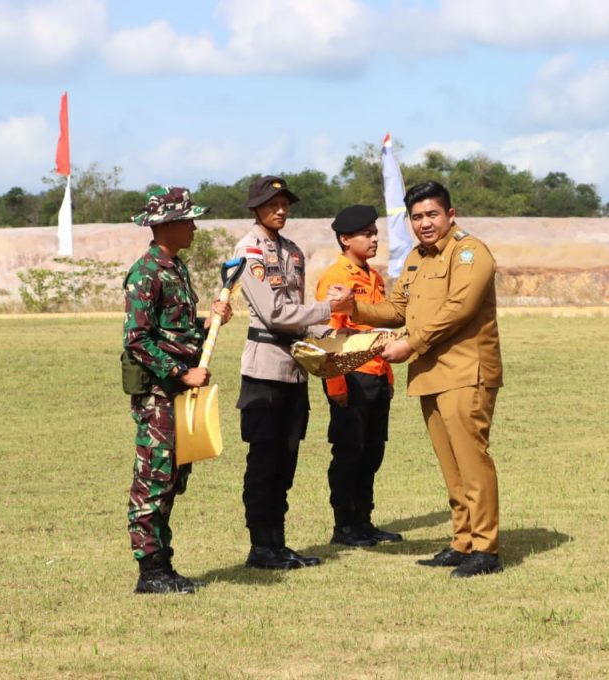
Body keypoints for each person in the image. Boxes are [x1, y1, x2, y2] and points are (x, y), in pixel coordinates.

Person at [329, 180, 504, 578]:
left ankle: (486, 548)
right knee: (451, 463)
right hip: (431, 372)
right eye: (417, 216)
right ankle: (463, 542)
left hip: (466, 371)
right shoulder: (415, 258)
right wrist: (352, 305)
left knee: (472, 460)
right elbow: (397, 308)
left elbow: (460, 308)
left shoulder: (469, 252)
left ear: (450, 215)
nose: (424, 223)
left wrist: (412, 343)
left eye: (432, 214)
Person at [123, 186, 233, 594]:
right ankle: (150, 571)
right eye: (187, 219)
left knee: (171, 478)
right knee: (154, 477)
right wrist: (179, 373)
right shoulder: (147, 272)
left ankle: (163, 565)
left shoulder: (176, 267)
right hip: (159, 392)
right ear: (166, 225)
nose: (194, 226)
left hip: (178, 391)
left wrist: (209, 322)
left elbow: (176, 329)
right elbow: (136, 338)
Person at [232, 175, 346, 570]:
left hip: (295, 368)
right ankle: (261, 546)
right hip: (265, 370)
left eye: (285, 203)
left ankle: (277, 544)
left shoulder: (293, 251)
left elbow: (298, 315)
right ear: (255, 208)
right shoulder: (249, 251)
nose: (281, 210)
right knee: (264, 462)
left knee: (286, 461)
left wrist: (330, 335)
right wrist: (326, 311)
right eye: (272, 204)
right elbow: (275, 313)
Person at [314, 204, 402, 548]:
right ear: (345, 239)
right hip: (350, 376)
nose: (374, 238)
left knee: (372, 452)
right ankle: (344, 525)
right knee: (349, 451)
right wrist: (335, 384)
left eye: (375, 232)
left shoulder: (373, 277)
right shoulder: (337, 279)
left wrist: (388, 378)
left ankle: (364, 521)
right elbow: (329, 335)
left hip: (376, 375)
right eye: (367, 234)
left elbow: (378, 329)